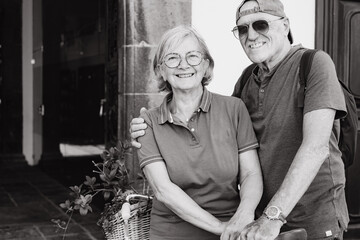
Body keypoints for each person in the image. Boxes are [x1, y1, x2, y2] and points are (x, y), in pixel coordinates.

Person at [131, 1, 350, 239]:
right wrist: (146, 127)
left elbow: (315, 148)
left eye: (261, 24)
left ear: (285, 25)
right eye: (243, 29)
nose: (251, 35)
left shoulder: (314, 64)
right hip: (259, 225)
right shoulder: (247, 80)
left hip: (311, 218)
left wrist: (271, 217)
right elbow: (220, 131)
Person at [135, 25, 263, 240]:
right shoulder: (147, 122)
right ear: (160, 70)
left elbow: (251, 173)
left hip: (233, 226)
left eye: (192, 56)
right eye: (172, 58)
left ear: (206, 65)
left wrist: (242, 217)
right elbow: (163, 190)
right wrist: (221, 229)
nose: (184, 65)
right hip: (172, 232)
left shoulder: (234, 109)